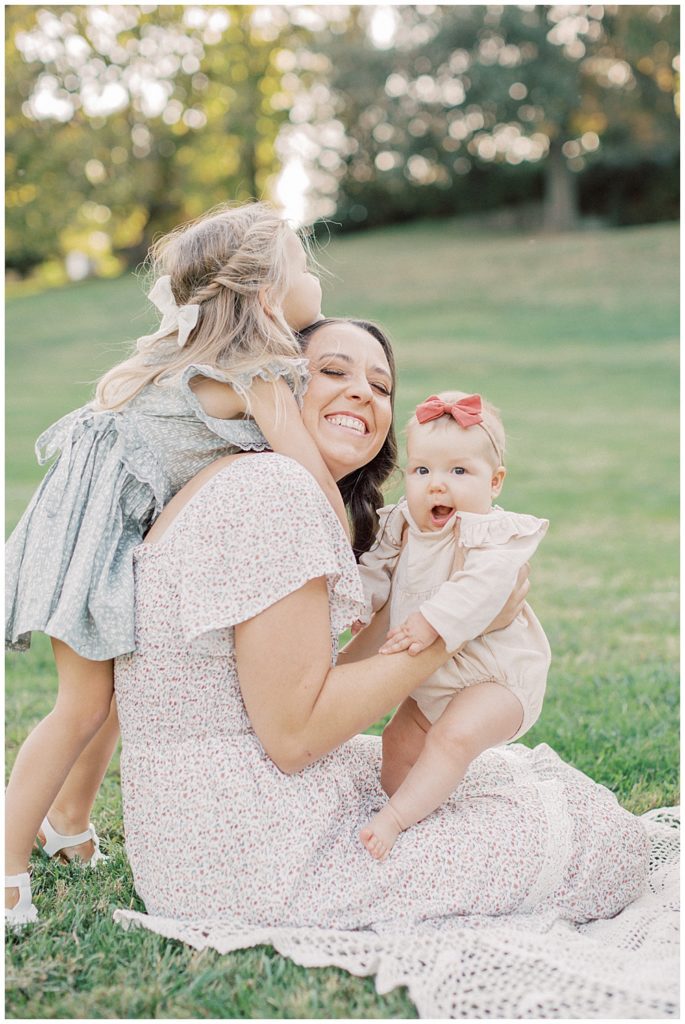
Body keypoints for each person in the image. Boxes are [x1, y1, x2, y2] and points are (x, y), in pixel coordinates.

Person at [112, 317, 649, 950]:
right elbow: (294, 736)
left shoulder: (253, 480)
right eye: (334, 372)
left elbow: (319, 679)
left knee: (485, 776)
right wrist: (462, 630)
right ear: (277, 386)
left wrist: (415, 607)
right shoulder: (276, 491)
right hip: (252, 851)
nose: (364, 393)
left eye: (380, 383)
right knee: (602, 846)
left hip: (201, 827)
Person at [4, 201, 349, 925]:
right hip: (95, 538)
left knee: (112, 696)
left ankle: (67, 822)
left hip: (99, 526)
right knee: (81, 705)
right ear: (265, 294)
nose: (314, 276)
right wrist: (343, 542)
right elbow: (309, 476)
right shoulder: (260, 371)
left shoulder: (195, 351)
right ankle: (7, 863)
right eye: (302, 265)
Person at [354, 391, 551, 859]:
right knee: (396, 743)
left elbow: (483, 588)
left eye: (459, 472)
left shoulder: (490, 536)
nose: (437, 486)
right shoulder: (402, 523)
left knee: (452, 738)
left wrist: (429, 621)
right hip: (435, 681)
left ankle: (396, 819)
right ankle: (424, 820)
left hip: (496, 678)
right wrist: (358, 604)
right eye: (423, 471)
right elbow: (376, 569)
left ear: (495, 481)